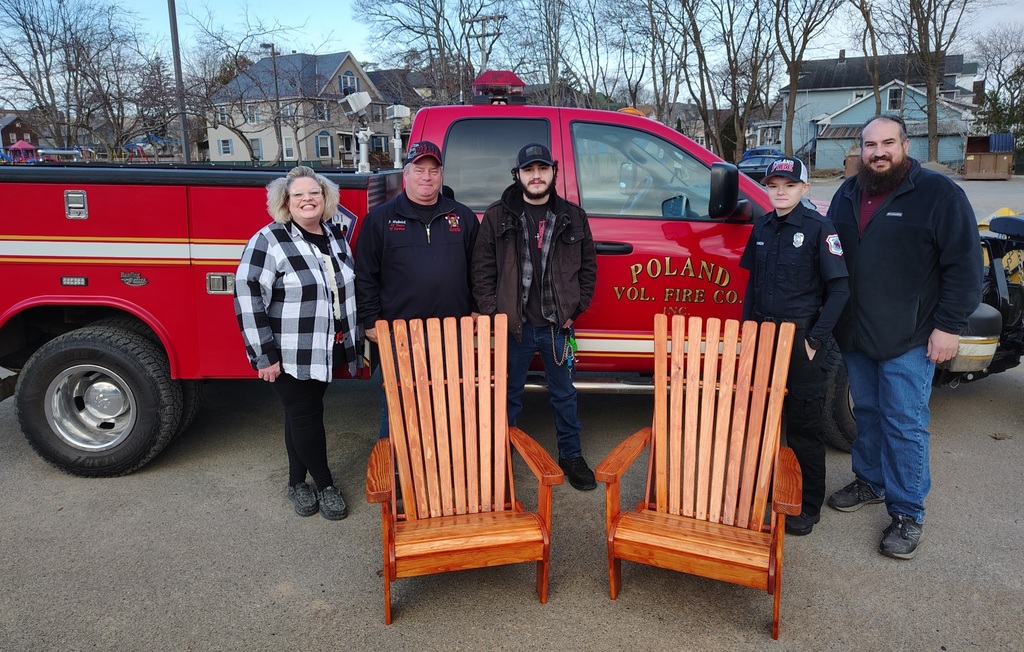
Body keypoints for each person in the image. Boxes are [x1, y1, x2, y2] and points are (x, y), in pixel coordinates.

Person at [825, 114, 982, 559]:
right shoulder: (849, 192)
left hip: (909, 337)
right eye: (871, 145)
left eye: (888, 143)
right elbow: (831, 251)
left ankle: (908, 512)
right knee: (869, 413)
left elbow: (966, 267)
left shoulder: (938, 195)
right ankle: (871, 481)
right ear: (861, 149)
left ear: (905, 146)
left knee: (904, 422)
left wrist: (949, 326)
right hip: (856, 333)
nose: (879, 152)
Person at [234, 166, 359, 520]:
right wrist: (264, 355)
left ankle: (295, 482)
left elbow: (343, 288)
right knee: (307, 417)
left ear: (326, 199)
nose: (308, 199)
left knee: (297, 416)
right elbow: (247, 296)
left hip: (323, 349)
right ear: (286, 202)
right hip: (286, 352)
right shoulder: (269, 240)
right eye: (299, 194)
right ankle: (326, 485)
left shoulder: (335, 236)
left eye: (314, 193)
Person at [472, 143, 598, 490]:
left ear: (554, 172)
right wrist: (492, 314)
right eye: (529, 170)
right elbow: (481, 270)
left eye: (543, 169)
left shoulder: (573, 216)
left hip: (558, 326)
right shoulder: (498, 215)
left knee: (564, 394)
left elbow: (588, 268)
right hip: (514, 328)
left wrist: (576, 308)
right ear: (518, 175)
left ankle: (571, 456)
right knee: (509, 395)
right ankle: (501, 460)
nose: (536, 175)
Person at [739, 157, 849, 536]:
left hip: (802, 342)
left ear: (805, 188)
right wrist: (747, 334)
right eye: (773, 185)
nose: (780, 191)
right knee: (761, 422)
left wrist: (816, 340)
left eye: (788, 184)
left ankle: (806, 505)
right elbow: (752, 286)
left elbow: (840, 290)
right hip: (764, 339)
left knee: (804, 428)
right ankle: (767, 492)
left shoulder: (820, 228)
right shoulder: (762, 227)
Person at [355, 141, 478, 438]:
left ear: (442, 175)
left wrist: (477, 308)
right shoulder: (380, 220)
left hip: (452, 330)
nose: (427, 177)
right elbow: (365, 274)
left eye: (433, 171)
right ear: (406, 175)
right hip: (399, 331)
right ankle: (398, 467)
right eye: (419, 170)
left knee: (449, 400)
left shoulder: (463, 217)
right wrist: (370, 320)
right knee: (399, 401)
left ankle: (446, 462)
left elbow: (480, 269)